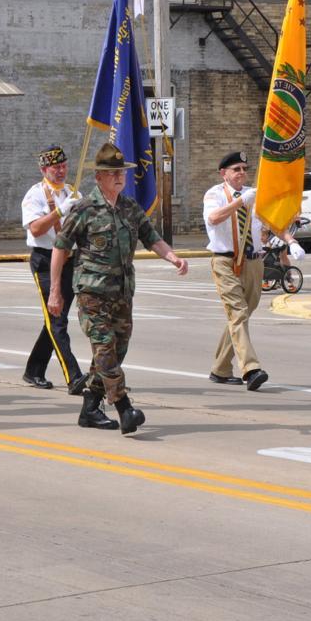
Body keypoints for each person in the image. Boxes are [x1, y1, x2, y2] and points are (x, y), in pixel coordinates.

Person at [48, 143, 189, 435]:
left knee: (116, 351)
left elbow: (152, 238)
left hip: (122, 293)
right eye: (112, 173)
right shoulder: (84, 209)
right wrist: (55, 291)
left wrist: (173, 258)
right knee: (104, 348)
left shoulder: (129, 208)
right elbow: (60, 247)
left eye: (121, 172)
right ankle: (124, 408)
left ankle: (90, 408)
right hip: (92, 293)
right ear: (99, 177)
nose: (119, 177)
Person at [19, 145, 93, 407]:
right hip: (45, 259)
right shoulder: (35, 194)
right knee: (57, 320)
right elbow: (36, 229)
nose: (61, 171)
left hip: (70, 259)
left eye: (63, 166)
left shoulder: (73, 192)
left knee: (54, 319)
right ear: (43, 170)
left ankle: (34, 370)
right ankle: (74, 376)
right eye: (55, 168)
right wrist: (60, 211)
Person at [202, 151, 268, 391]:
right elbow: (213, 218)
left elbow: (267, 222)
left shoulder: (253, 194)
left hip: (252, 261)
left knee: (241, 315)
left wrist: (289, 239)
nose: (241, 173)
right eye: (236, 169)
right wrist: (240, 202)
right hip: (226, 261)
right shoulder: (215, 194)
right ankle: (251, 368)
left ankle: (220, 369)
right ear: (224, 174)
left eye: (244, 169)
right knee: (238, 313)